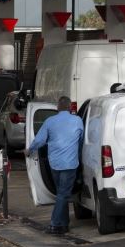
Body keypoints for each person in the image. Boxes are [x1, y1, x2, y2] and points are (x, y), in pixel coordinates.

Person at [26, 96, 83, 235]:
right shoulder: (77, 121)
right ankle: (55, 224)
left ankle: (63, 225)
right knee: (63, 194)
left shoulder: (49, 121)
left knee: (61, 194)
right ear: (70, 107)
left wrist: (29, 150)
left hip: (55, 164)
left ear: (58, 107)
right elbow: (81, 140)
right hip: (70, 163)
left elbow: (39, 140)